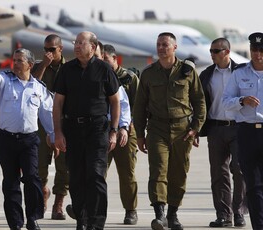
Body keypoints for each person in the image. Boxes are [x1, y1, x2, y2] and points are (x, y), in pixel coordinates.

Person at [133, 32, 206, 230]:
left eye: (165, 45)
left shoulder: (187, 71)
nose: (161, 48)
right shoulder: (148, 73)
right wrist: (139, 134)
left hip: (183, 129)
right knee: (158, 170)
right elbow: (139, 106)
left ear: (174, 47)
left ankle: (173, 214)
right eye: (158, 44)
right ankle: (159, 214)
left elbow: (199, 100)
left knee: (179, 172)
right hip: (157, 128)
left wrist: (196, 128)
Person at [0, 48, 55, 230]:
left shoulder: (38, 88)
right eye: (15, 60)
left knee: (32, 178)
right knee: (10, 181)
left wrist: (53, 135)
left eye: (20, 60)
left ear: (30, 64)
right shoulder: (6, 81)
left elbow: (47, 113)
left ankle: (33, 218)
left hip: (29, 141)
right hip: (6, 140)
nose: (16, 64)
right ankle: (15, 223)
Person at [53, 31, 120, 230]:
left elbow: (115, 102)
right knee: (76, 177)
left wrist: (114, 131)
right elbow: (58, 103)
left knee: (96, 175)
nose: (77, 46)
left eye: (82, 43)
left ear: (93, 46)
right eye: (76, 42)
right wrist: (58, 132)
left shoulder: (104, 69)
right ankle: (82, 220)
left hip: (97, 129)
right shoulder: (66, 70)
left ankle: (96, 223)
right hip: (72, 129)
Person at [199, 37, 247, 228]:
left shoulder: (242, 72)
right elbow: (199, 102)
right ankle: (223, 215)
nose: (212, 54)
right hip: (215, 128)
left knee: (239, 170)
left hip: (239, 127)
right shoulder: (207, 74)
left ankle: (239, 212)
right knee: (218, 174)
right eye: (211, 51)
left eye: (215, 51)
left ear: (226, 52)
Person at [222, 32, 263, 230]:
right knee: (253, 185)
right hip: (247, 133)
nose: (258, 54)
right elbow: (225, 103)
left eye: (261, 50)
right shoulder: (239, 74)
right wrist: (241, 101)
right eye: (254, 50)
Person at [31, 34, 68, 220]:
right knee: (39, 166)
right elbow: (32, 86)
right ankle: (43, 193)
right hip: (41, 125)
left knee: (64, 167)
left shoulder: (70, 69)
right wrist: (44, 65)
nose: (48, 53)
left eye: (52, 49)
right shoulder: (39, 67)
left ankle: (58, 204)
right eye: (45, 49)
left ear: (60, 49)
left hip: (63, 123)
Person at [103, 44, 139, 225]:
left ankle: (131, 210)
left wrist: (128, 127)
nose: (103, 63)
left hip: (127, 129)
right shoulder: (98, 76)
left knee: (127, 173)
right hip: (103, 129)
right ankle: (90, 208)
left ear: (114, 59)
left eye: (106, 60)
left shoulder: (129, 78)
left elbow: (138, 104)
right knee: (98, 172)